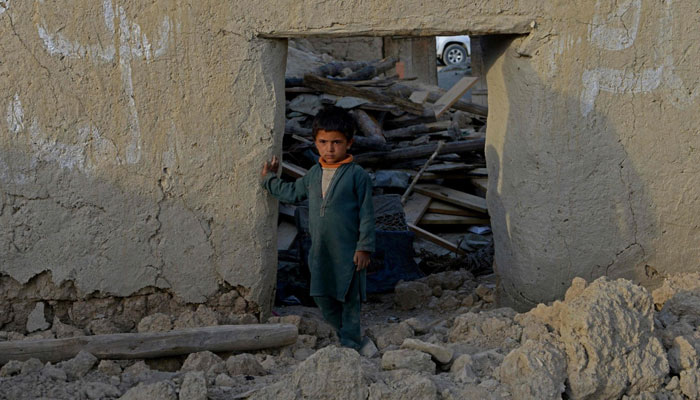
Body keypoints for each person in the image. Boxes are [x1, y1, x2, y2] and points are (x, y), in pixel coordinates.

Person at [261, 106, 375, 350]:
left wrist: (364, 246)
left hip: (349, 249)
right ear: (315, 143)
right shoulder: (314, 173)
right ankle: (338, 332)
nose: (329, 148)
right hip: (320, 249)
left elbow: (367, 214)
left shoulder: (357, 176)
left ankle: (351, 342)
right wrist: (269, 180)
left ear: (349, 143)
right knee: (321, 293)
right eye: (323, 142)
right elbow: (293, 192)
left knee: (349, 297)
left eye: (336, 142)